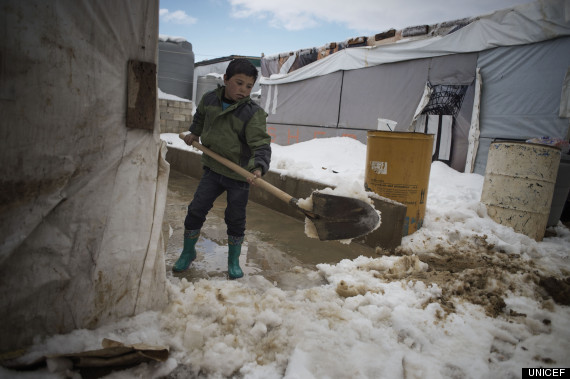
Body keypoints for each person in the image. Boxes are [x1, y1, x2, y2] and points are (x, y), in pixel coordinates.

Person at [173, 58, 271, 279]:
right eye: (238, 83)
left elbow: (261, 144)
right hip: (213, 169)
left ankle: (233, 261)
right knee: (196, 210)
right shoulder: (210, 100)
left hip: (239, 175)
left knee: (235, 218)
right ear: (225, 79)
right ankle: (188, 252)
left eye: (249, 86)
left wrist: (258, 167)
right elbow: (200, 118)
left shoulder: (252, 113)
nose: (243, 90)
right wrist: (194, 133)